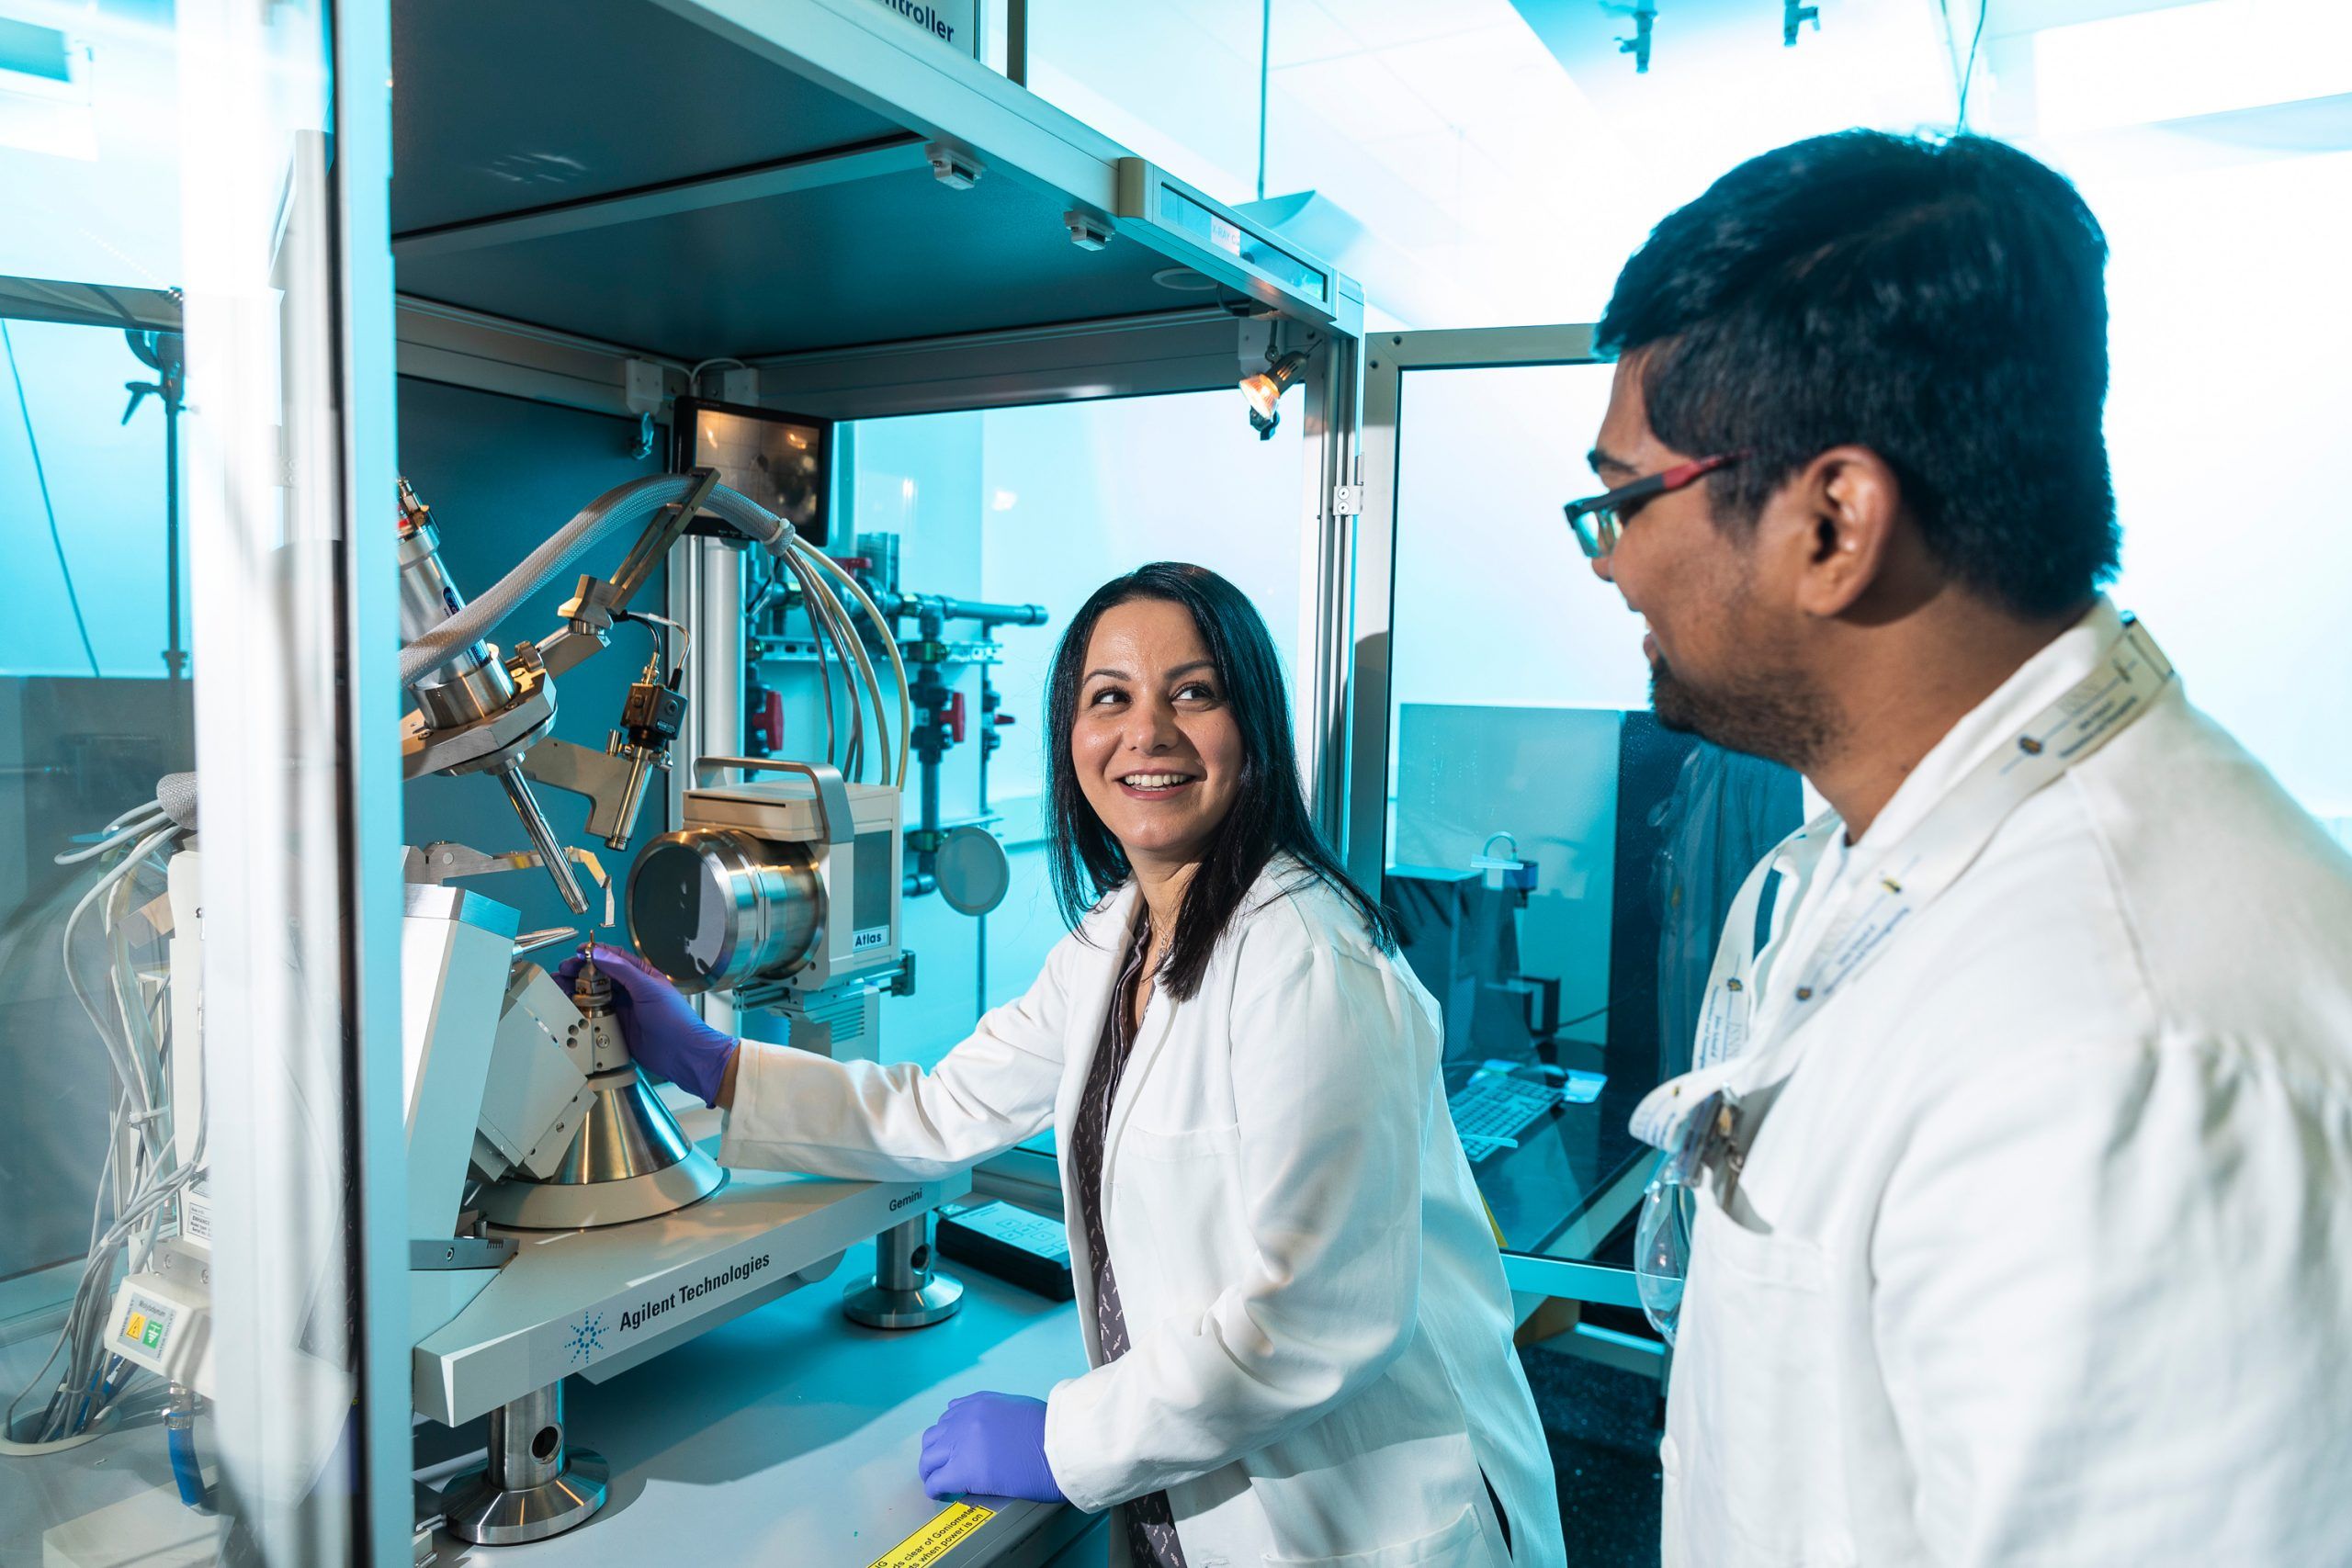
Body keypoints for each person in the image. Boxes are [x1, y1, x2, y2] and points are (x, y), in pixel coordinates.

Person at [1564, 128, 2352, 1563]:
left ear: (1835, 520)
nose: (1611, 560)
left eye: (1625, 500)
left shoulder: (2123, 1043)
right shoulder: (1877, 871)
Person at [563, 562, 1565, 1568]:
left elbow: (1312, 1319)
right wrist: (709, 1063)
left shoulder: (1308, 961)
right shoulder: (1121, 933)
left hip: (1369, 1519)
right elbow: (943, 1109)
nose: (1148, 733)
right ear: (1069, 736)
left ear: (1251, 722)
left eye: (1194, 692)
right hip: (1215, 1495)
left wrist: (1062, 1440)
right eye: (1109, 699)